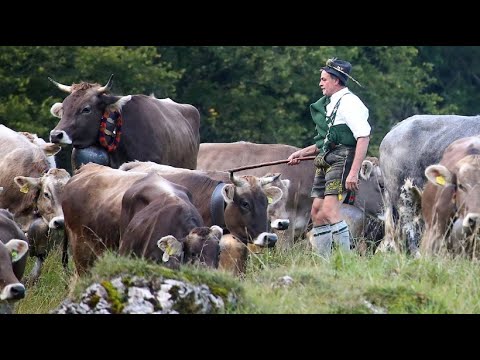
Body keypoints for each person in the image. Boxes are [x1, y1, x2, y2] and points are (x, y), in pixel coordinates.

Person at [287, 58, 370, 257]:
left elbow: (363, 137)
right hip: (327, 158)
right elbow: (326, 142)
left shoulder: (350, 102)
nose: (320, 83)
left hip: (342, 159)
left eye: (324, 79)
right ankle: (324, 261)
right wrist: (301, 153)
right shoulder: (332, 104)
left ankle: (347, 261)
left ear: (335, 80)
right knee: (316, 212)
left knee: (330, 212)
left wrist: (353, 173)